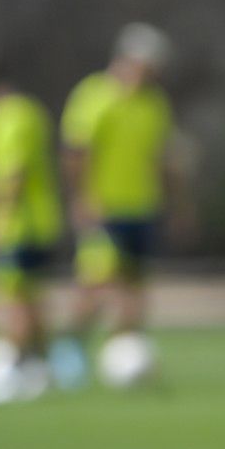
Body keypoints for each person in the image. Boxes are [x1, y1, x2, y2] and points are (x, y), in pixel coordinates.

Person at [49, 22, 177, 387]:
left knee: (135, 288)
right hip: (104, 209)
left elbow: (161, 157)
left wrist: (176, 203)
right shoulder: (94, 95)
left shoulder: (154, 103)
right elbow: (75, 153)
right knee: (99, 284)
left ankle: (123, 359)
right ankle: (67, 350)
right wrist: (82, 198)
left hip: (142, 207)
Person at [0, 59, 63, 398]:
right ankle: (40, 369)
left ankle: (11, 370)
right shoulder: (31, 110)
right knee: (33, 298)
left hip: (17, 223)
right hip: (42, 219)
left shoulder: (4, 116)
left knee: (10, 297)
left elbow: (13, 172)